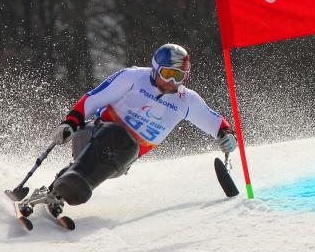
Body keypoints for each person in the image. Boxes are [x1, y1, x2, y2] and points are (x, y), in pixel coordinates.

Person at [35, 44, 238, 212]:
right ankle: (66, 188)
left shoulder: (186, 100)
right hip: (92, 135)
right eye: (168, 74)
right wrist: (70, 122)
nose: (172, 82)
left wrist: (227, 136)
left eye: (179, 77)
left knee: (126, 145)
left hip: (120, 160)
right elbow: (93, 99)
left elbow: (216, 123)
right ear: (155, 68)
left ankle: (57, 190)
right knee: (116, 135)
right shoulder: (132, 78)